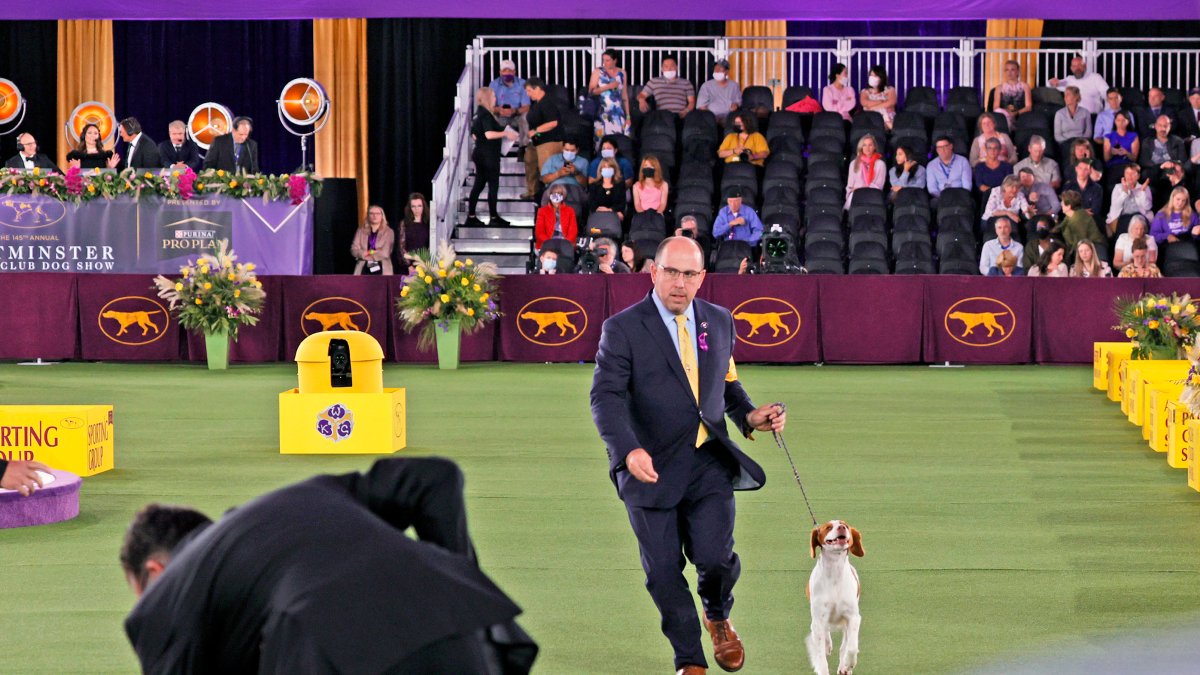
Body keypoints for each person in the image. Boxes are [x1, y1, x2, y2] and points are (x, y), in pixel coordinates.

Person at [121, 457, 537, 674]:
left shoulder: (169, 595)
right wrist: (448, 572)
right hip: (453, 629)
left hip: (328, 650)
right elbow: (437, 479)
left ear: (155, 573)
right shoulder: (304, 498)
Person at [590, 236, 785, 675]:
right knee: (662, 572)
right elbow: (605, 397)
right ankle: (689, 660)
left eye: (690, 274)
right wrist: (628, 449)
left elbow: (726, 386)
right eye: (671, 272)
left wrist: (750, 416)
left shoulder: (719, 321)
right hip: (649, 468)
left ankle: (717, 616)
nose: (680, 283)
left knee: (716, 558)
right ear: (653, 272)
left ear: (702, 277)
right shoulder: (622, 328)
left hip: (707, 462)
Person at [467, 88, 519, 228]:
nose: (495, 98)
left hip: (480, 153)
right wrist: (505, 134)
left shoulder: (478, 114)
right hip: (488, 155)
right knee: (493, 185)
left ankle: (471, 216)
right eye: (494, 96)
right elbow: (489, 134)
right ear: (487, 97)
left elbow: (474, 135)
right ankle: (493, 216)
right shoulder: (486, 115)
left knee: (479, 184)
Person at [524, 78, 562, 200]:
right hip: (536, 141)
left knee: (546, 169)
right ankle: (532, 191)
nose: (527, 94)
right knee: (530, 162)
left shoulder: (548, 103)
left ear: (538, 88)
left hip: (549, 141)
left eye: (529, 91)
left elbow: (553, 122)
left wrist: (536, 130)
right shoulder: (536, 104)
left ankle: (549, 194)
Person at [1139, 115, 1190, 201]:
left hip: (1172, 170)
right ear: (1155, 126)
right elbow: (1144, 161)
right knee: (1145, 174)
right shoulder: (1147, 142)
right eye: (1160, 125)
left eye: (1166, 126)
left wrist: (1172, 163)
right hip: (1154, 171)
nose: (1163, 128)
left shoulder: (1178, 141)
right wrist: (1161, 166)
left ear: (1170, 126)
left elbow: (1183, 160)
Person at [589, 49, 632, 141]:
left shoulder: (622, 73)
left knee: (620, 140)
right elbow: (591, 92)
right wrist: (608, 86)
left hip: (618, 112)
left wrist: (628, 116)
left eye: (607, 60)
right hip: (602, 111)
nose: (605, 63)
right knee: (601, 140)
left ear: (615, 60)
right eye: (603, 60)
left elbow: (624, 96)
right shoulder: (598, 71)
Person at [489, 59, 531, 149]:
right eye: (504, 70)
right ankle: (493, 147)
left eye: (510, 71)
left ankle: (523, 148)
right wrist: (499, 110)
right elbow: (490, 107)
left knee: (525, 117)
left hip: (516, 115)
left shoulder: (522, 83)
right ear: (500, 72)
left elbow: (526, 107)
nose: (507, 73)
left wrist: (514, 111)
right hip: (500, 116)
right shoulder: (493, 85)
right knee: (489, 115)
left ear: (514, 72)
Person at [1106, 165, 1154, 236]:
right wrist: (1124, 193)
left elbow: (1148, 207)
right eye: (1127, 173)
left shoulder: (1145, 188)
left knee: (1139, 223)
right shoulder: (1118, 188)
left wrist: (1142, 193)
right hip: (1123, 217)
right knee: (1126, 224)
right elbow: (1115, 207)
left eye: (1133, 174)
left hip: (1140, 216)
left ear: (1138, 176)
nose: (1129, 176)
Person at [1055, 190, 1107, 255]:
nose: (1061, 204)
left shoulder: (1077, 219)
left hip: (1093, 249)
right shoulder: (1071, 215)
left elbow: (1081, 241)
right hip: (1083, 248)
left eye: (1062, 202)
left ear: (1069, 206)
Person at [989, 60, 1033, 130]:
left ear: (1017, 72)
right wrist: (1007, 114)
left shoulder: (1025, 86)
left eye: (1012, 70)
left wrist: (1016, 113)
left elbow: (1028, 107)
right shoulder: (999, 88)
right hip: (1004, 117)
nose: (1009, 73)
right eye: (1007, 70)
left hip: (1021, 116)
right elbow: (995, 108)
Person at [844, 133, 884, 210]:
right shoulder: (853, 163)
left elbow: (879, 186)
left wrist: (860, 188)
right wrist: (854, 191)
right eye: (864, 145)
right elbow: (850, 186)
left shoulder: (880, 164)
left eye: (870, 145)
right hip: (856, 196)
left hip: (873, 196)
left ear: (874, 147)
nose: (867, 148)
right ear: (861, 147)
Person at [351, 205, 394, 276]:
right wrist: (364, 253)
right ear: (368, 215)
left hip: (382, 267)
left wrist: (367, 253)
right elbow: (353, 249)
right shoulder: (360, 231)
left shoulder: (389, 232)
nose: (375, 216)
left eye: (377, 214)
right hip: (363, 267)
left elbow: (385, 252)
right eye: (371, 213)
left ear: (382, 216)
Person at [696, 60, 742, 126]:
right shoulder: (706, 86)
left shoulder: (734, 86)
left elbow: (737, 103)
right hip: (711, 117)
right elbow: (701, 106)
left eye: (720, 69)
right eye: (715, 69)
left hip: (729, 117)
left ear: (726, 72)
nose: (717, 71)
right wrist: (711, 117)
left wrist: (735, 105)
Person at [534, 184, 578, 249]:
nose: (557, 196)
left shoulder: (570, 211)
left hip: (565, 244)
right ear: (550, 195)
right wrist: (550, 243)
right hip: (547, 244)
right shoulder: (542, 211)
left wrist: (565, 243)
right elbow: (539, 232)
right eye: (554, 193)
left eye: (560, 194)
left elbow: (573, 231)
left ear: (563, 196)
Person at [972, 137, 1014, 203]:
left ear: (1000, 150)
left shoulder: (1007, 166)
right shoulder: (979, 167)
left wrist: (998, 195)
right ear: (985, 150)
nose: (993, 151)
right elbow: (980, 185)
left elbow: (1008, 185)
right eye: (990, 148)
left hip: (1003, 198)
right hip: (984, 198)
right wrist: (993, 194)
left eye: (995, 148)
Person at [859, 65, 896, 130]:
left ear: (881, 78)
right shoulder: (865, 91)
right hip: (871, 120)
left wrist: (872, 108)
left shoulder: (890, 89)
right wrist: (881, 102)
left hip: (888, 120)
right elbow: (864, 103)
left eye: (875, 76)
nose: (872, 78)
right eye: (871, 75)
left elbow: (891, 102)